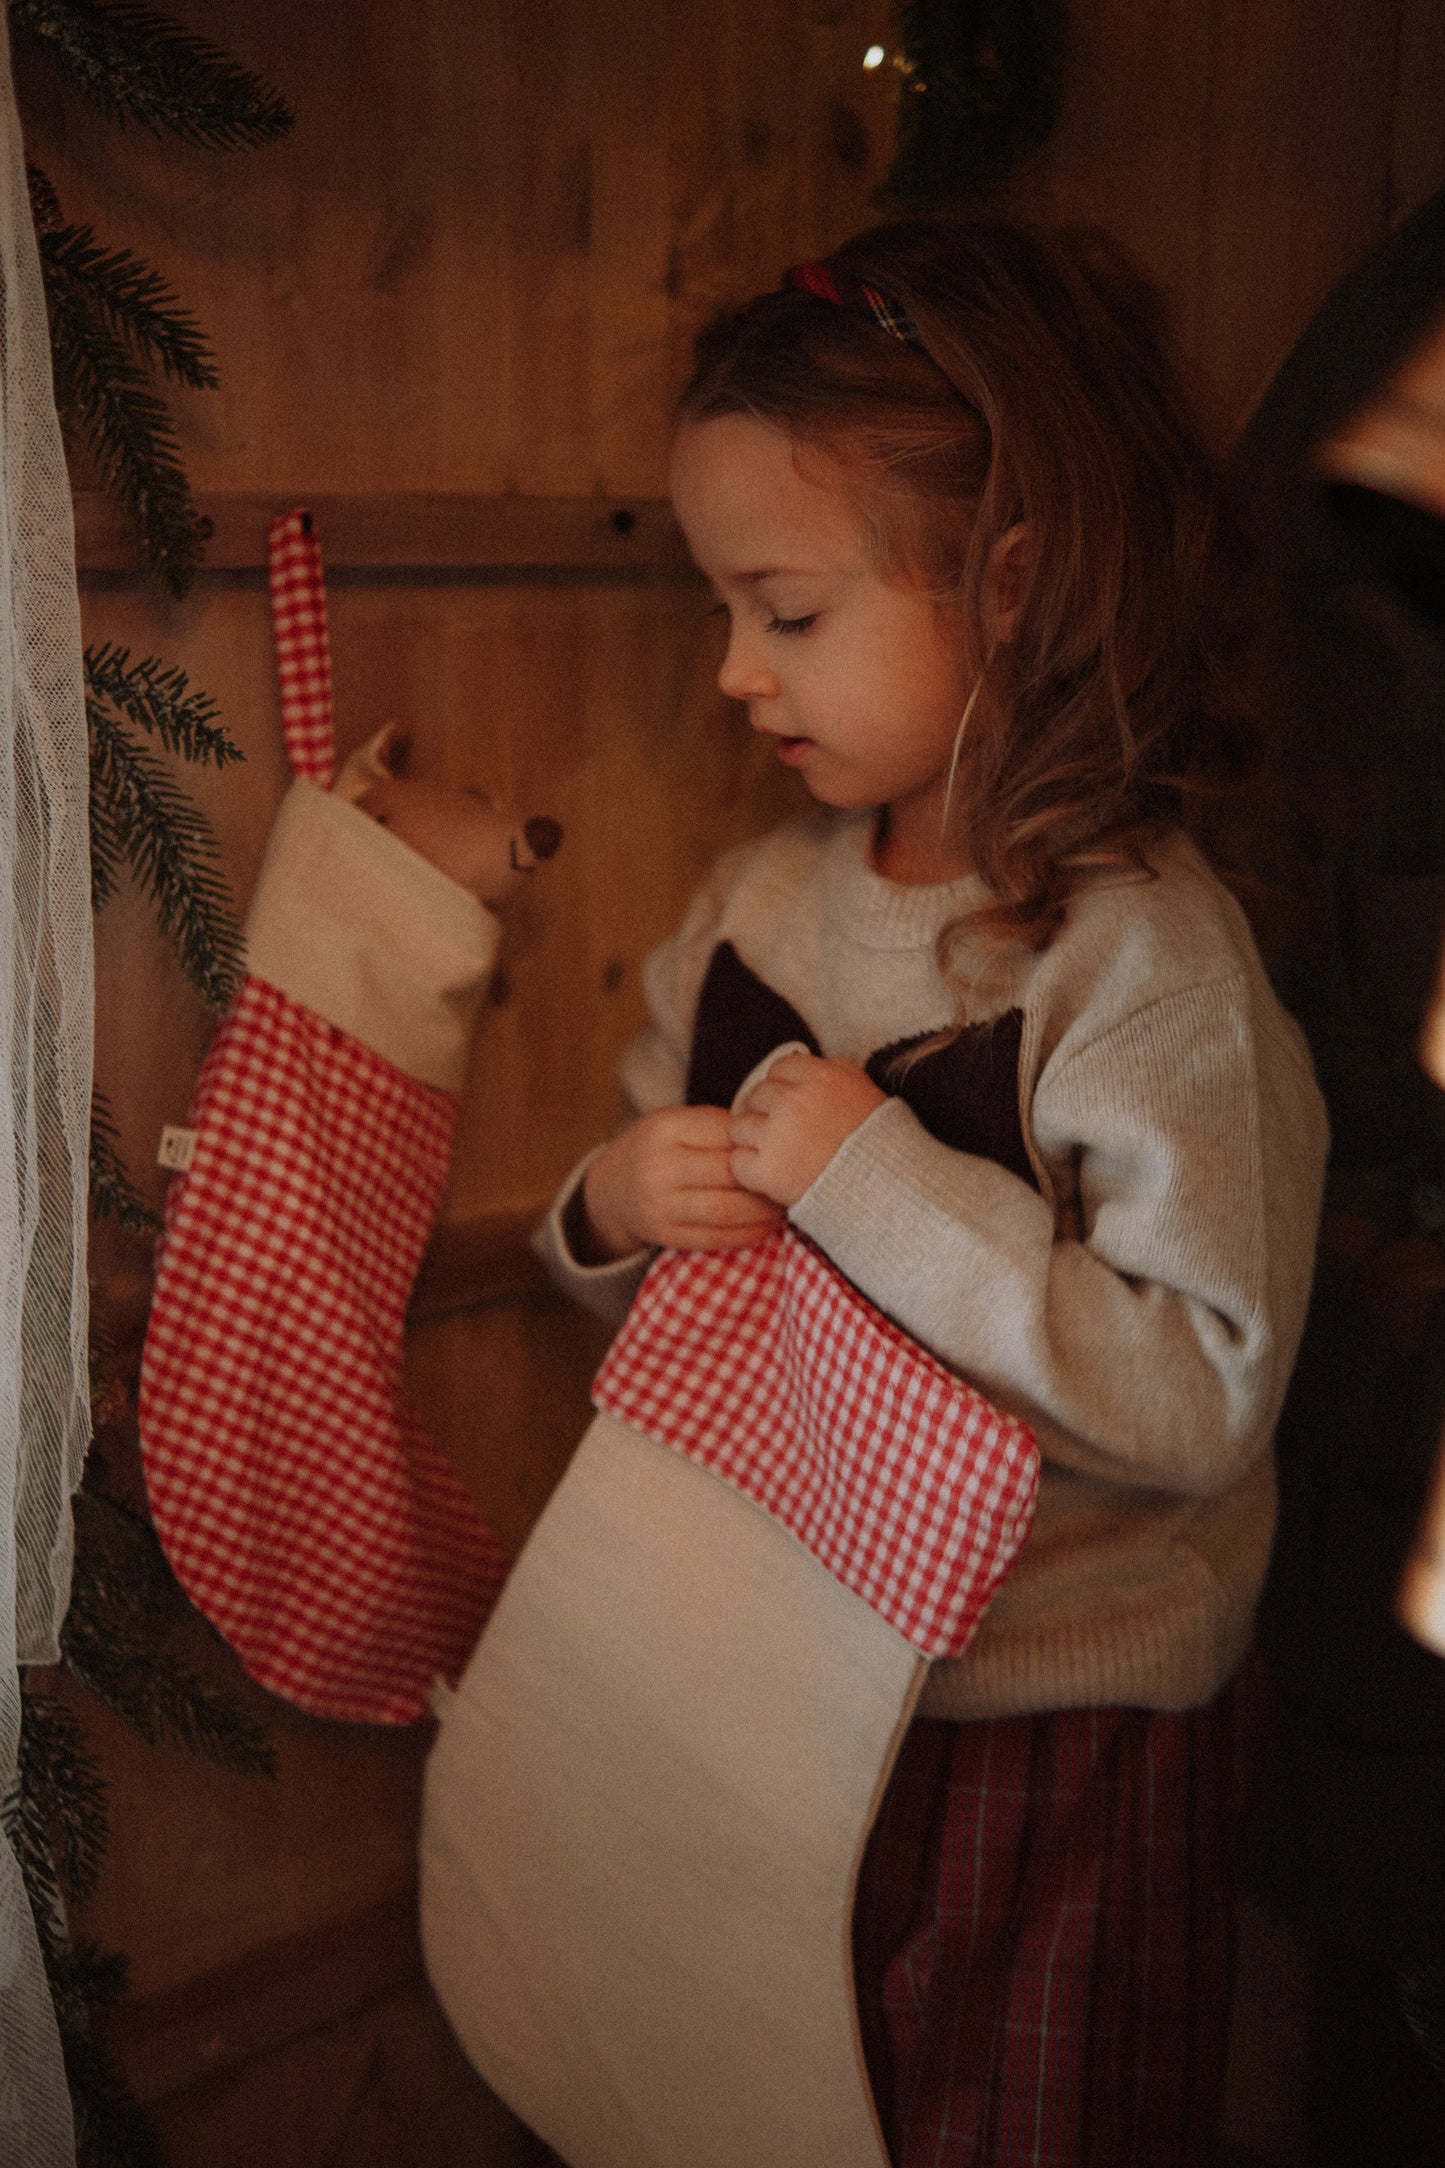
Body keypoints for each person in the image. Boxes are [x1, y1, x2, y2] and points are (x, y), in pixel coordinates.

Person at [526, 222, 1330, 2166]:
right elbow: (672, 1298)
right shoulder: (761, 903)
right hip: (767, 1674)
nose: (731, 669)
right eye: (728, 607)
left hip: (1051, 1732)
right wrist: (611, 1210)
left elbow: (1202, 1391)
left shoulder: (1140, 963)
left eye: (783, 610)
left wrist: (878, 1181)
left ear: (1012, 584)